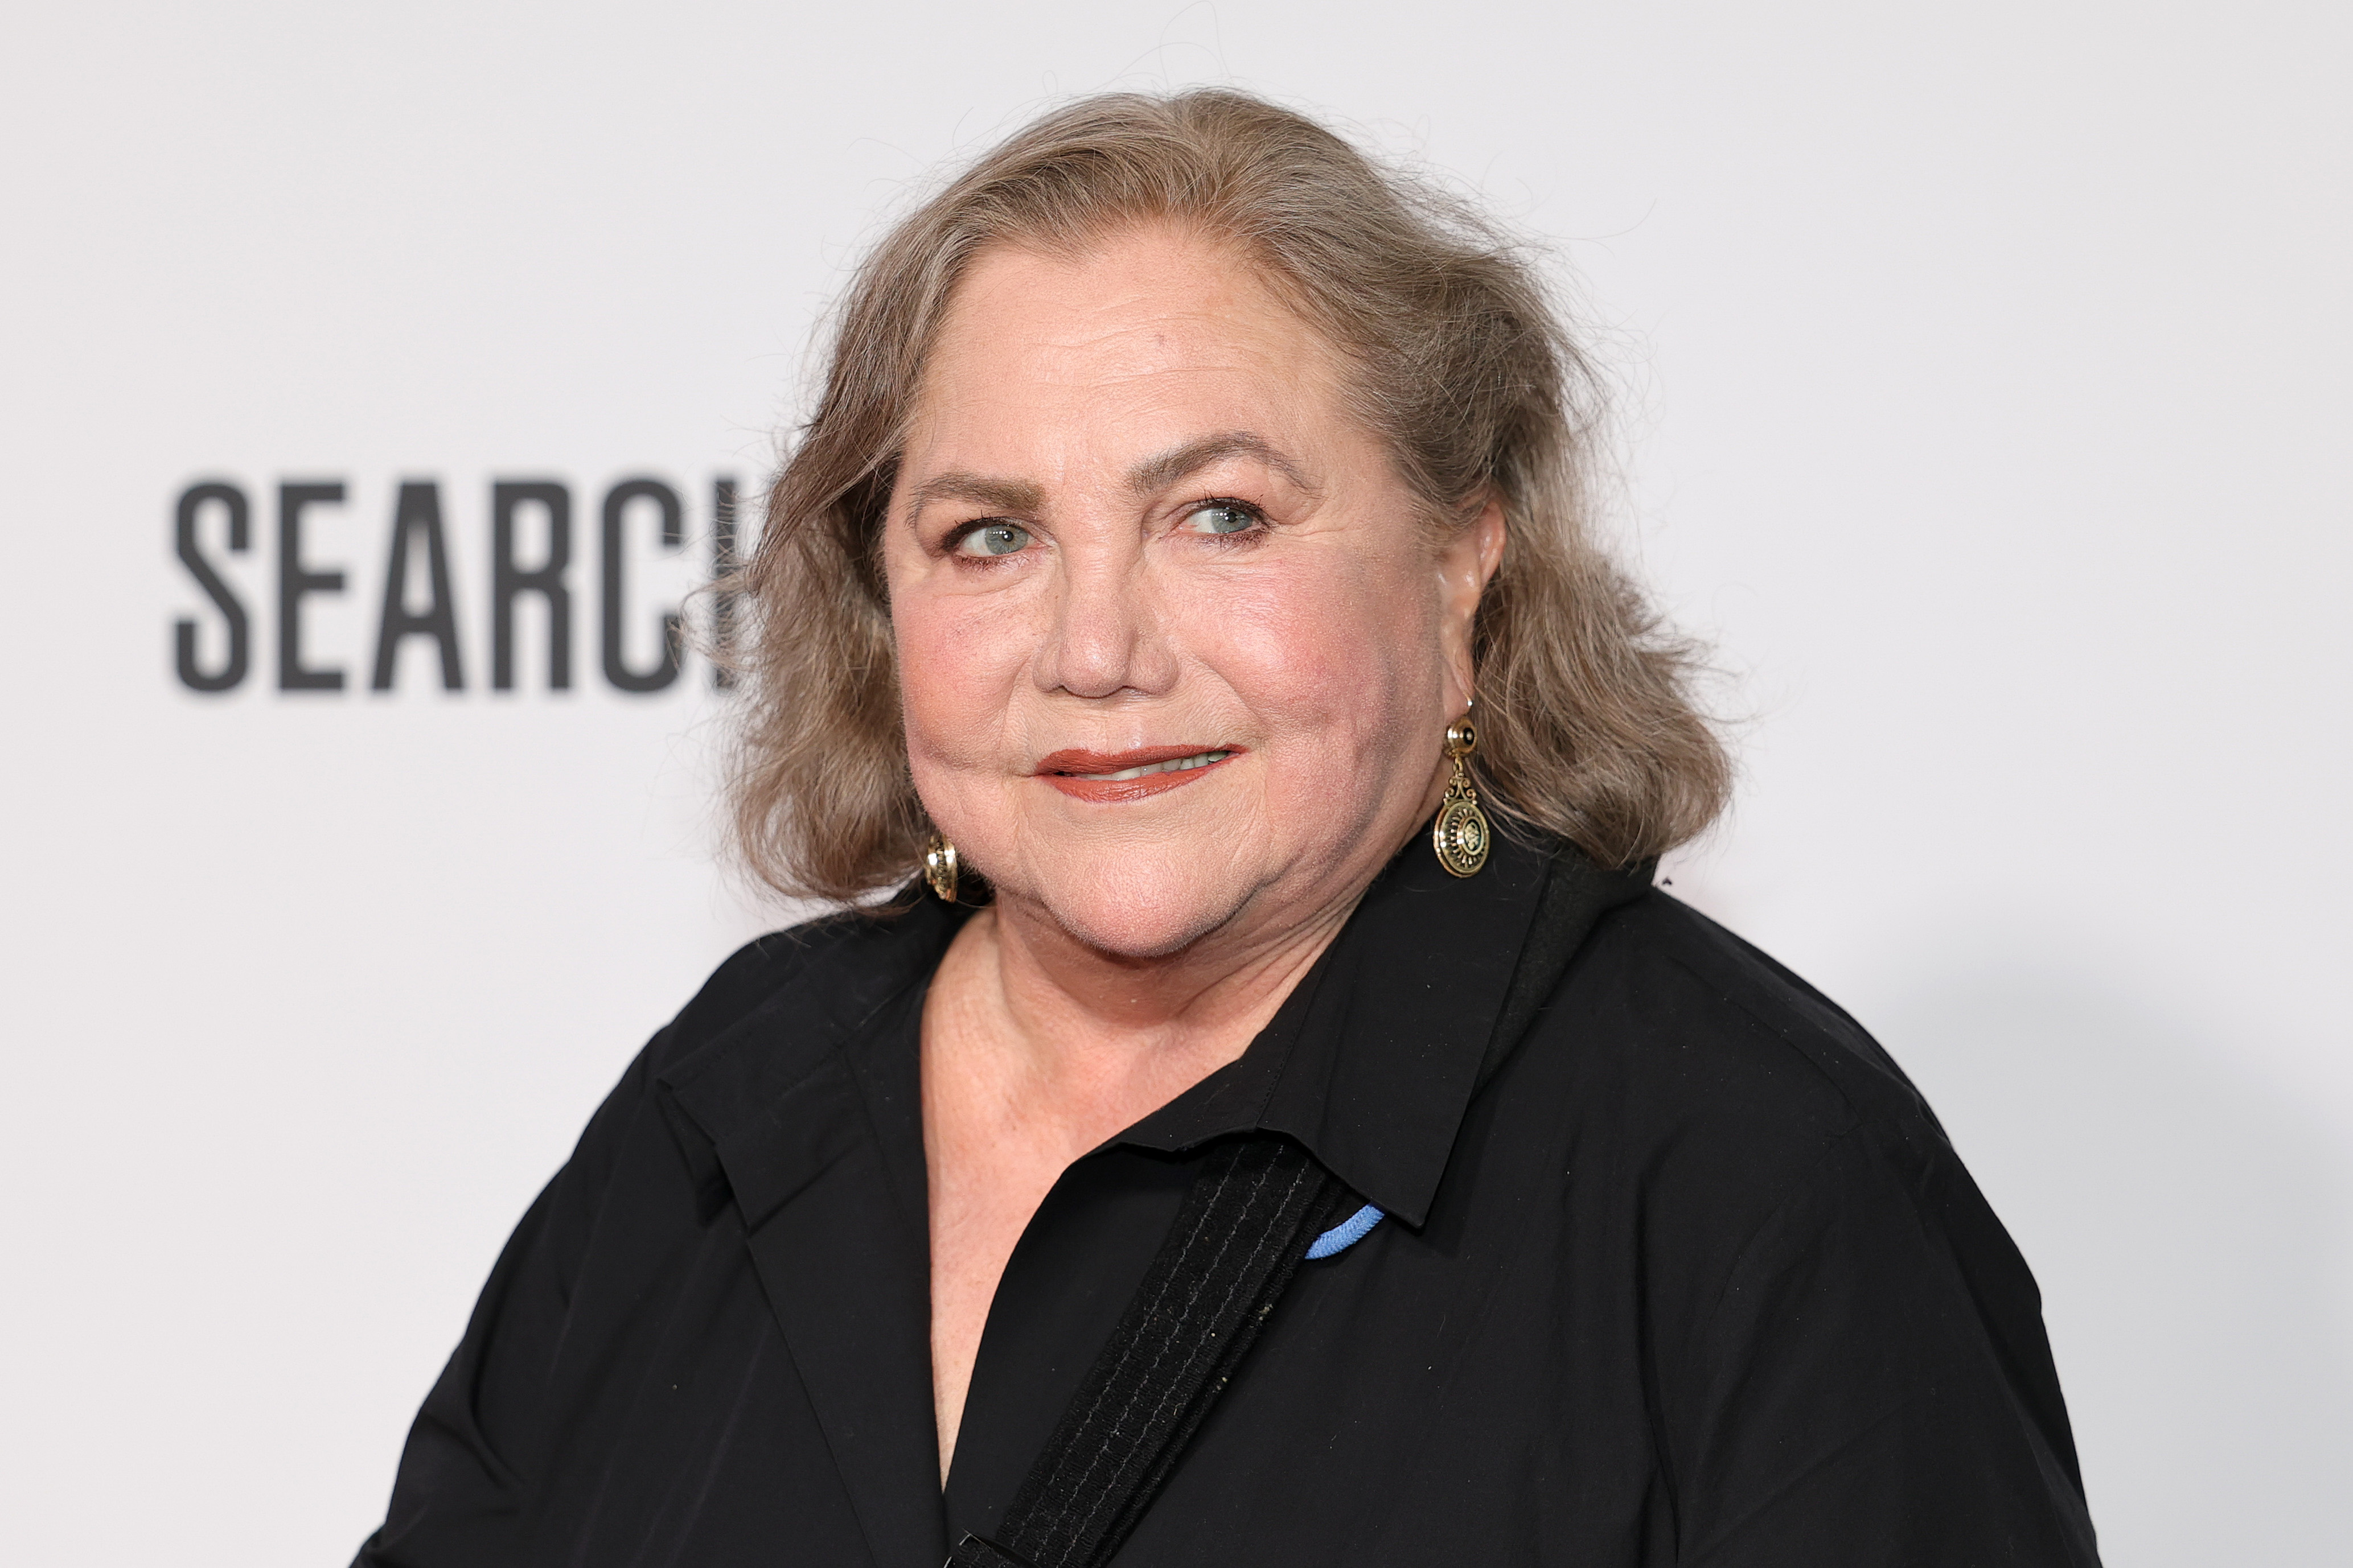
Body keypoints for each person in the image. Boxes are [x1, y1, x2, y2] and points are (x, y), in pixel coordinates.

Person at [355, 89, 2101, 1567]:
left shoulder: (1747, 1172)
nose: (1098, 651)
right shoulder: (737, 1098)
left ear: (1459, 555)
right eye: (989, 536)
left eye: (1219, 514)